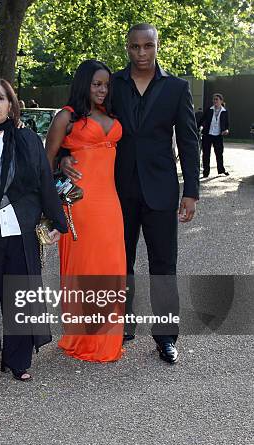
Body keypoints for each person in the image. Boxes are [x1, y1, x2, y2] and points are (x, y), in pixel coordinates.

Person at [60, 24, 199, 364]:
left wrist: (191, 192)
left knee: (164, 264)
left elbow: (189, 141)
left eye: (147, 46)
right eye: (134, 47)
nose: (140, 53)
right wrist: (65, 157)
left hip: (161, 191)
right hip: (116, 193)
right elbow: (79, 122)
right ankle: (123, 325)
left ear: (157, 46)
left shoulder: (177, 88)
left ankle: (166, 337)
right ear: (127, 48)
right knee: (120, 265)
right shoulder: (113, 85)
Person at [0, 77, 67, 381]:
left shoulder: (28, 140)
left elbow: (44, 183)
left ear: (12, 105)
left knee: (20, 295)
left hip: (20, 229)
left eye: (1, 98)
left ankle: (18, 361)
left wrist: (58, 222)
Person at [46, 59, 126, 362]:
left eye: (106, 84)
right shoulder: (66, 117)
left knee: (111, 267)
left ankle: (108, 340)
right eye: (96, 84)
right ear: (83, 84)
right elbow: (46, 161)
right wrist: (63, 160)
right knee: (86, 267)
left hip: (110, 203)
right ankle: (85, 339)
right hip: (80, 204)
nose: (103, 89)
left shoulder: (110, 113)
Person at [199, 93, 229, 177]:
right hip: (207, 134)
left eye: (217, 99)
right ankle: (206, 172)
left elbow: (227, 124)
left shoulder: (224, 111)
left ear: (221, 101)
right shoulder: (209, 109)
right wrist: (198, 127)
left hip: (218, 135)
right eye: (214, 99)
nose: (215, 101)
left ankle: (221, 170)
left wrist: (226, 130)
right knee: (206, 154)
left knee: (219, 153)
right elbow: (202, 119)